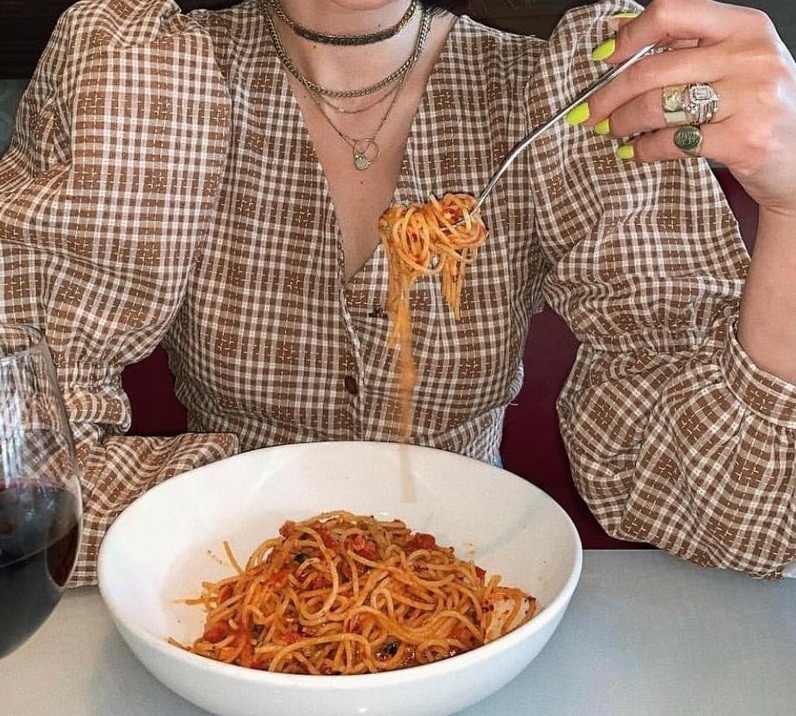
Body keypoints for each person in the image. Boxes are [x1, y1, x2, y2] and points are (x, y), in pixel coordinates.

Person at [0, 0, 794, 585]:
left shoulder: (583, 89)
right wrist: (297, 517)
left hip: (474, 590)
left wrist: (791, 207)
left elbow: (733, 518)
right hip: (213, 589)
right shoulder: (134, 75)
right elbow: (24, 471)